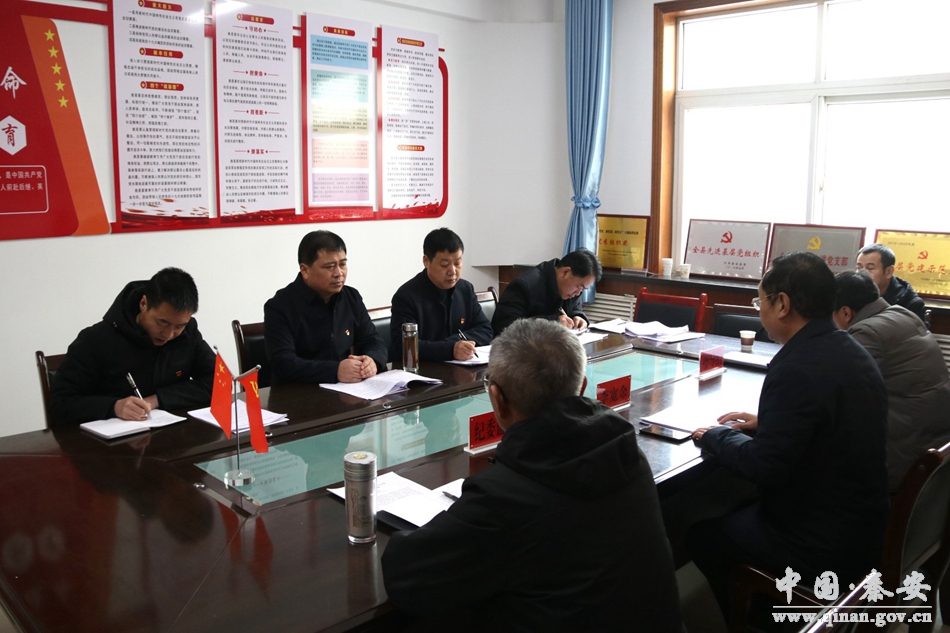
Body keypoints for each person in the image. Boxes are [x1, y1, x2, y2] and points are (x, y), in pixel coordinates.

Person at [382, 319, 684, 632]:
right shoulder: (626, 452)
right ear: (581, 387)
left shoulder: (502, 497)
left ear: (497, 399)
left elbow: (407, 579)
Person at [688, 252, 888, 624]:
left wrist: (716, 437)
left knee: (702, 536)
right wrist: (769, 424)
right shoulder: (850, 350)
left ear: (782, 304)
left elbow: (763, 466)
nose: (759, 309)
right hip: (862, 524)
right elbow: (826, 424)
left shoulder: (797, 367)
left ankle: (759, 621)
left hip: (819, 541)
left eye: (759, 301)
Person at [50, 267, 214, 426]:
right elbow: (60, 404)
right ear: (143, 303)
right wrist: (114, 407)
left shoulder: (188, 332)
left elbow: (218, 382)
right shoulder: (95, 340)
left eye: (179, 326)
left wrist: (158, 399)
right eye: (162, 322)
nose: (169, 334)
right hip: (111, 440)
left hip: (173, 434)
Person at [833, 270, 950, 491]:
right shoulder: (902, 313)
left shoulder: (866, 333)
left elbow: (837, 391)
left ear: (846, 312)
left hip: (901, 456)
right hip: (934, 441)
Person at [264, 231, 386, 384]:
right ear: (305, 270)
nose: (339, 273)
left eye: (343, 264)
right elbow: (283, 363)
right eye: (329, 267)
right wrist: (335, 371)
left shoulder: (351, 297)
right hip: (300, 393)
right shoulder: (280, 306)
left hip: (347, 390)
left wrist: (372, 361)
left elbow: (374, 341)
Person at [389, 228, 493, 363]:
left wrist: (456, 344)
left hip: (461, 369)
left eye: (457, 263)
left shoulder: (465, 289)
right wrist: (450, 348)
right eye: (444, 265)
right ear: (426, 261)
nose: (452, 271)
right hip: (424, 370)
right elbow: (404, 346)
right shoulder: (406, 297)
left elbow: (485, 330)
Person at [491, 248, 601, 335]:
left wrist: (578, 316)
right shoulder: (524, 285)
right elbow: (507, 327)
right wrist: (553, 323)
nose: (578, 293)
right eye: (578, 286)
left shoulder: (570, 289)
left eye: (583, 289)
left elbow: (574, 307)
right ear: (565, 272)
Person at [856, 243, 928, 325]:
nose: (862, 273)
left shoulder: (911, 303)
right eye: (859, 268)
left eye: (870, 268)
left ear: (889, 271)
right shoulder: (853, 292)